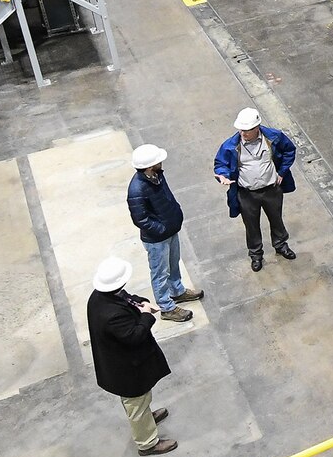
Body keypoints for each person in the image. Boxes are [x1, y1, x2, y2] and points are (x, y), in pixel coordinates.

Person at [86, 257, 177, 457]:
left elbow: (126, 297)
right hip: (126, 369)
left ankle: (146, 420)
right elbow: (134, 336)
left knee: (141, 399)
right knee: (136, 402)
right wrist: (146, 316)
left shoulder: (101, 295)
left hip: (128, 363)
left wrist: (141, 303)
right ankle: (147, 443)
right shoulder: (111, 315)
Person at [126, 143, 204, 323]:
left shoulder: (157, 175)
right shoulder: (136, 189)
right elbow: (140, 219)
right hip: (157, 239)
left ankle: (177, 291)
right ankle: (166, 307)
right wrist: (161, 229)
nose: (162, 161)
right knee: (160, 272)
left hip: (170, 230)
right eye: (158, 160)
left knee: (173, 263)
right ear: (150, 165)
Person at [214, 107, 297, 272]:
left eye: (247, 130)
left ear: (257, 128)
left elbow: (289, 150)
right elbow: (220, 164)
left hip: (271, 189)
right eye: (241, 130)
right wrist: (222, 175)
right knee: (251, 225)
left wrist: (281, 172)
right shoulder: (231, 146)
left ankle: (281, 245)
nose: (243, 134)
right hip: (247, 194)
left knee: (276, 219)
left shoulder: (274, 137)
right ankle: (256, 255)